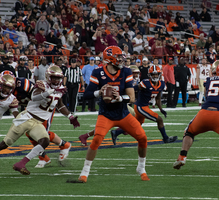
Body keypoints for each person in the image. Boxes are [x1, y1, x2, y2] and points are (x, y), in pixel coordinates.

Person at [78, 46, 149, 183]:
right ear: (110, 59)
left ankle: (141, 167)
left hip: (123, 114)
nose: (122, 60)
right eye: (119, 57)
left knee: (142, 137)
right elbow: (86, 94)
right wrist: (100, 92)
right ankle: (84, 172)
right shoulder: (98, 72)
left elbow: (132, 97)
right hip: (106, 114)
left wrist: (120, 98)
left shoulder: (126, 71)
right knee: (97, 139)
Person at [0, 66, 80, 175]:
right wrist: (49, 91)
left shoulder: (60, 89)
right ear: (48, 76)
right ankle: (43, 158)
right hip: (27, 118)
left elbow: (60, 105)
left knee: (44, 141)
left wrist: (70, 116)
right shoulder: (41, 84)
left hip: (38, 122)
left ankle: (22, 163)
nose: (56, 81)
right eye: (54, 78)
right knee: (5, 144)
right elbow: (34, 97)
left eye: (58, 78)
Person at [111, 65, 178, 144]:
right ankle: (166, 138)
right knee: (160, 120)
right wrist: (123, 93)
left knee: (136, 124)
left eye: (156, 74)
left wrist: (161, 109)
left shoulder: (161, 84)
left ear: (160, 75)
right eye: (153, 74)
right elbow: (134, 88)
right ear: (150, 75)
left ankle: (116, 132)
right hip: (140, 107)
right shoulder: (145, 83)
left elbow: (158, 98)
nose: (155, 76)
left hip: (144, 106)